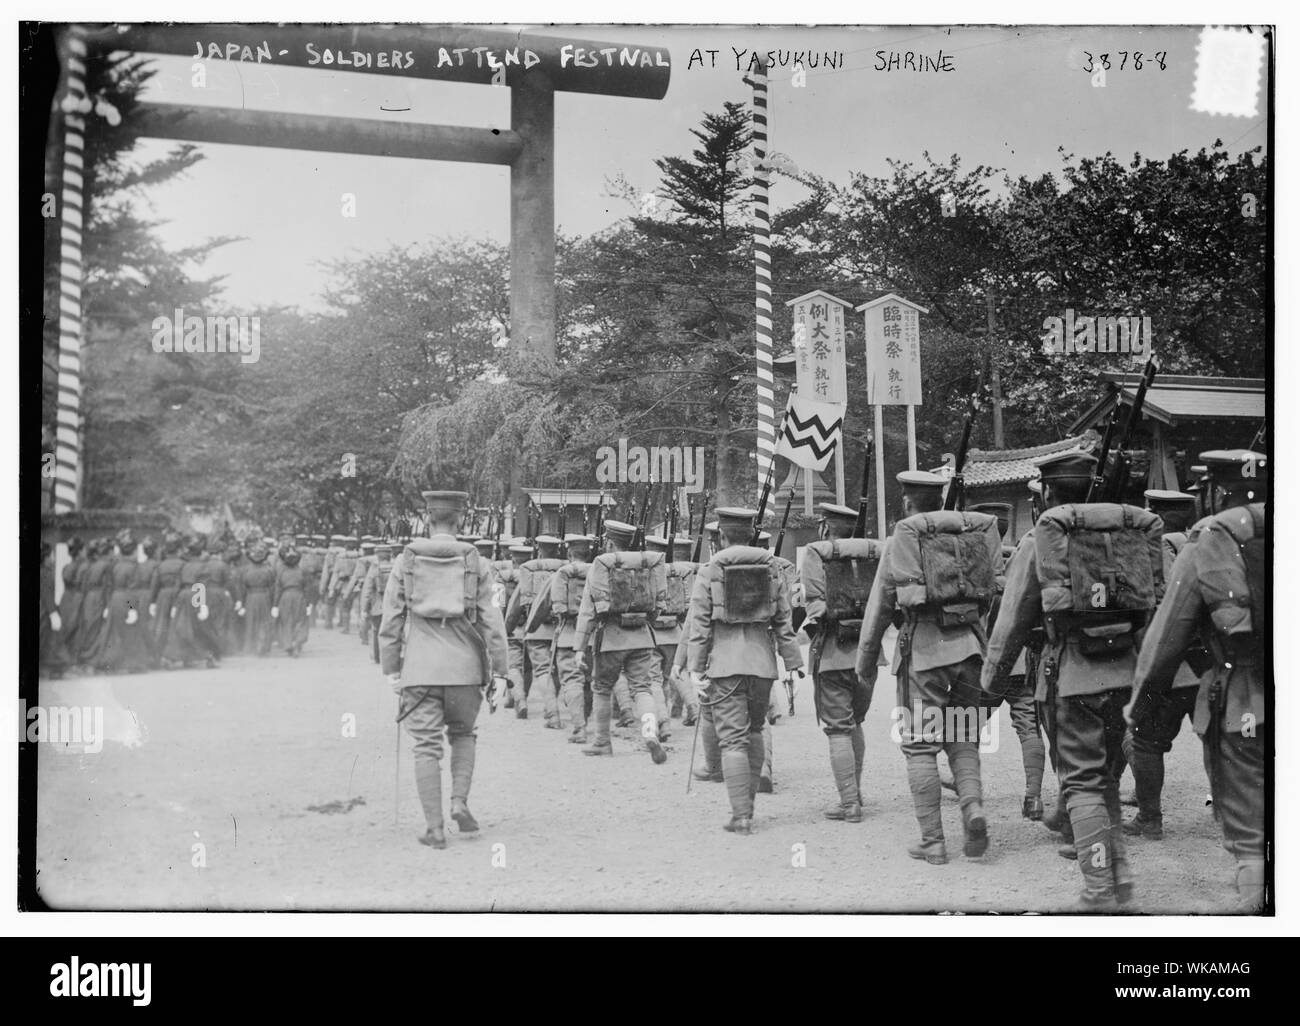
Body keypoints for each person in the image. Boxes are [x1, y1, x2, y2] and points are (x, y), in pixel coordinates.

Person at [983, 451, 1163, 910]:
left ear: (1047, 492)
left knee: (1084, 784)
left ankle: (1100, 891)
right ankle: (1117, 879)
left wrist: (991, 680)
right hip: (1129, 677)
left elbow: (1012, 622)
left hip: (1071, 677)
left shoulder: (1040, 542)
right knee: (1105, 781)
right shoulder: (1133, 537)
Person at [1127, 450, 1267, 910]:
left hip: (1245, 696)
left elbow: (1166, 638)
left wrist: (1140, 704)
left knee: (1252, 833)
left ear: (1214, 490)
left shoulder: (1211, 537)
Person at [858, 471, 1000, 865]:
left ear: (907, 503)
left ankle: (933, 841)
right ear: (939, 501)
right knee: (964, 737)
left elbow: (881, 607)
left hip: (923, 654)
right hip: (972, 650)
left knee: (920, 747)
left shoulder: (903, 540)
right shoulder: (971, 536)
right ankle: (972, 808)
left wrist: (866, 662)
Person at [378, 490, 508, 850]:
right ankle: (459, 802)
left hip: (420, 670)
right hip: (465, 671)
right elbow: (492, 621)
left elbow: (390, 621)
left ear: (426, 517)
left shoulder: (406, 562)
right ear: (460, 520)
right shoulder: (477, 563)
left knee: (426, 747)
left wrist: (391, 668)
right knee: (464, 735)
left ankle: (434, 829)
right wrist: (500, 671)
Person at [682, 508, 803, 833]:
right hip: (763, 666)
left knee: (733, 741)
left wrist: (695, 668)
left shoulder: (710, 570)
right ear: (751, 534)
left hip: (724, 666)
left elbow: (700, 625)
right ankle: (748, 806)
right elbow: (783, 621)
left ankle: (742, 816)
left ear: (721, 535)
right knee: (754, 730)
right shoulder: (774, 567)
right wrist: (792, 663)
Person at [1122, 488, 1204, 840]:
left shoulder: (1160, 548)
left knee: (1145, 740)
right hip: (1210, 666)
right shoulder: (1208, 540)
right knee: (1221, 744)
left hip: (1173, 665)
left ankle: (1149, 818)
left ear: (1154, 513)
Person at [801, 502, 882, 822]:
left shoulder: (816, 552)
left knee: (838, 729)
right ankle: (856, 790)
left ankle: (849, 802)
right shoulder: (876, 552)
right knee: (856, 723)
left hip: (833, 654)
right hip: (869, 655)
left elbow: (815, 607)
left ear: (825, 527)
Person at [968, 500, 1047, 821]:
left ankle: (967, 789)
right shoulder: (1021, 557)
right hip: (1021, 663)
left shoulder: (972, 564)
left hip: (987, 664)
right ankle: (1034, 798)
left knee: (965, 727)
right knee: (1029, 728)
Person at [572, 519, 671, 764]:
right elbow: (659, 604)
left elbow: (588, 610)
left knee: (602, 689)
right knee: (643, 689)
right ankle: (649, 732)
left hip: (611, 639)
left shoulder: (602, 565)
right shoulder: (648, 563)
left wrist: (579, 648)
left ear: (608, 541)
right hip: (642, 636)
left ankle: (602, 742)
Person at [530, 534, 596, 743]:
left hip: (568, 634)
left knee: (571, 681)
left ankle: (579, 728)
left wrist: (530, 628)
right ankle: (583, 717)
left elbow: (542, 605)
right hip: (594, 637)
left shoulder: (562, 574)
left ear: (568, 553)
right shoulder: (600, 572)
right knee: (587, 682)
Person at [504, 536, 566, 726]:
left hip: (530, 629)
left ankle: (545, 710)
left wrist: (505, 629)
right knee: (552, 671)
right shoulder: (563, 570)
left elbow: (513, 607)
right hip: (558, 629)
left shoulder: (527, 572)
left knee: (531, 669)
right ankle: (552, 708)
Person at [646, 535, 700, 727]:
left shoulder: (646, 572)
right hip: (675, 633)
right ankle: (693, 706)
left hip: (652, 634)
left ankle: (662, 719)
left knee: (653, 679)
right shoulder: (679, 573)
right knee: (678, 673)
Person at [498, 543, 533, 714]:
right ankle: (514, 697)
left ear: (512, 558)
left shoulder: (502, 577)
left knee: (513, 666)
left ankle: (519, 698)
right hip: (532, 628)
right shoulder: (535, 575)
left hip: (510, 628)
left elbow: (495, 605)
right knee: (528, 666)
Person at [150, 534, 186, 662]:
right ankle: (175, 654)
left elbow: (155, 584)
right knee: (176, 625)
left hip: (163, 596)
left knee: (161, 625)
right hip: (178, 596)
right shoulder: (183, 564)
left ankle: (159, 653)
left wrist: (153, 602)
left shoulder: (160, 566)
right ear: (179, 549)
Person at [272, 544, 311, 657]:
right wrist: (308, 603)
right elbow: (306, 588)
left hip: (285, 597)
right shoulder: (301, 571)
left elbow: (278, 589)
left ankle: (288, 644)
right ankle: (298, 641)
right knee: (300, 620)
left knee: (286, 621)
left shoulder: (281, 571)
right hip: (299, 596)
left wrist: (275, 605)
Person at [240, 542, 277, 656]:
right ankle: (263, 646)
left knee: (250, 622)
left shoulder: (246, 570)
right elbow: (272, 587)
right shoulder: (269, 570)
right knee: (264, 622)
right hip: (264, 597)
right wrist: (272, 603)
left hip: (250, 597)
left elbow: (243, 587)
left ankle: (250, 647)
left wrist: (242, 602)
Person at [360, 543, 395, 663]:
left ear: (377, 555)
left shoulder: (374, 568)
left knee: (376, 631)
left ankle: (376, 657)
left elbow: (367, 590)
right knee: (393, 632)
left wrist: (364, 608)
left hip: (377, 606)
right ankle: (391, 657)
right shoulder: (395, 567)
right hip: (393, 606)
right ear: (390, 555)